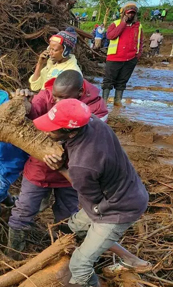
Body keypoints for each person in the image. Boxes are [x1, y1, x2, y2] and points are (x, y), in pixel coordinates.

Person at [34, 99, 151, 286]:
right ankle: (133, 261)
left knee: (80, 264)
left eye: (52, 128)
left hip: (117, 209)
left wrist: (60, 168)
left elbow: (89, 194)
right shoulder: (93, 121)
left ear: (70, 132)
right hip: (128, 188)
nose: (47, 131)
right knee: (71, 228)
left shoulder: (83, 164)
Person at [8, 70, 109, 258]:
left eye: (62, 98)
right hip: (40, 166)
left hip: (72, 172)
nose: (55, 101)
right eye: (54, 96)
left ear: (79, 93)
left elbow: (94, 143)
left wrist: (63, 154)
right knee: (23, 211)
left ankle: (59, 255)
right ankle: (13, 255)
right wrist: (23, 103)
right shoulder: (46, 95)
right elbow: (29, 117)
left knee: (67, 216)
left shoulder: (96, 107)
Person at [103, 1, 143, 106]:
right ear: (124, 13)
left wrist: (137, 55)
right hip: (114, 57)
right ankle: (103, 102)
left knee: (122, 82)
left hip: (130, 59)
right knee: (108, 81)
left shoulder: (138, 26)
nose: (131, 15)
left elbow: (141, 41)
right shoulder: (115, 24)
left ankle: (117, 101)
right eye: (129, 13)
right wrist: (122, 24)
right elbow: (111, 36)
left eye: (133, 13)